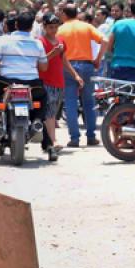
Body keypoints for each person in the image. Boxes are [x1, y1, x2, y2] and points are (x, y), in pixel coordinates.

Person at [0, 11, 49, 161]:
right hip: (32, 85)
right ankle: (38, 120)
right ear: (31, 26)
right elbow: (44, 68)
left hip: (5, 83)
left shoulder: (3, 41)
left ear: (15, 25)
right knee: (44, 95)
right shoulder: (37, 43)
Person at [57, 4, 105, 147]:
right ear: (76, 14)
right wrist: (98, 59)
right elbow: (106, 41)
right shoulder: (87, 26)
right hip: (87, 65)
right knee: (89, 102)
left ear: (65, 14)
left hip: (68, 66)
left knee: (70, 102)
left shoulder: (60, 29)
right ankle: (91, 136)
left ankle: (74, 138)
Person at [39, 13, 82, 160]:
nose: (53, 30)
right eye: (50, 27)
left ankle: (47, 141)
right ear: (44, 26)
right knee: (50, 113)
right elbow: (39, 62)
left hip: (59, 81)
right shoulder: (40, 41)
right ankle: (53, 141)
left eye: (56, 27)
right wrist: (53, 53)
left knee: (52, 113)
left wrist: (75, 74)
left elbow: (64, 60)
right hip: (45, 81)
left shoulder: (61, 40)